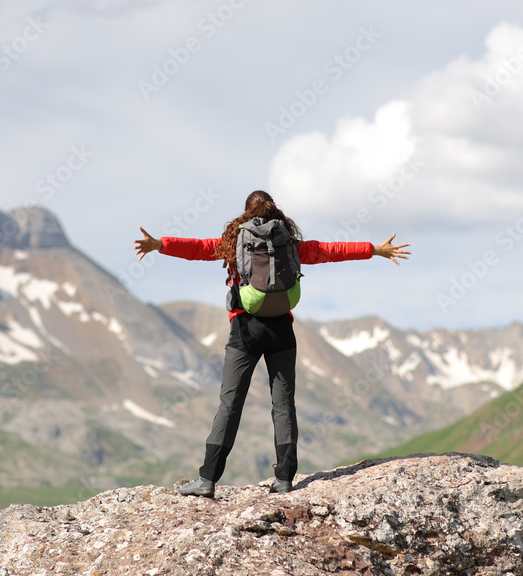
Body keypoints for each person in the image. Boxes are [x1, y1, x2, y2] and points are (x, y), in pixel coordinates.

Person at [134, 190, 410, 498]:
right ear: (276, 212)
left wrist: (159, 244)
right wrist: (374, 249)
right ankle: (283, 480)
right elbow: (331, 249)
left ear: (246, 214)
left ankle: (208, 480)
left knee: (230, 404)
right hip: (281, 329)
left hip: (245, 330)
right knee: (283, 405)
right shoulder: (289, 244)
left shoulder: (234, 242)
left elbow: (197, 248)